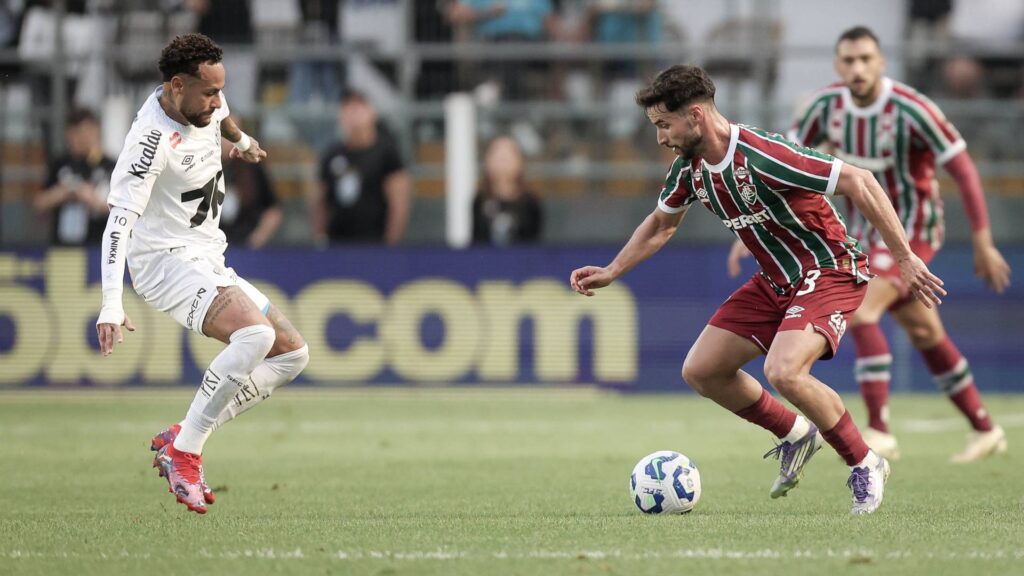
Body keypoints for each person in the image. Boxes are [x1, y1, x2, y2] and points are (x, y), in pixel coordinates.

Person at [570, 64, 946, 515]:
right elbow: (660, 225)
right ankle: (794, 434)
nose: (660, 137)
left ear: (695, 115)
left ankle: (865, 462)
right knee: (702, 371)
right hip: (775, 280)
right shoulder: (688, 169)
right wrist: (613, 269)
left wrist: (904, 257)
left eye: (664, 124)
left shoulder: (764, 154)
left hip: (830, 268)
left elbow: (859, 180)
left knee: (784, 371)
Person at [758, 25, 1010, 463]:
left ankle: (879, 429)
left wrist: (983, 242)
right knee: (924, 330)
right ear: (838, 65)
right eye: (849, 60)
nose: (858, 68)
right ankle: (984, 428)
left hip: (914, 230)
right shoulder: (824, 108)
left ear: (881, 62)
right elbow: (785, 167)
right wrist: (761, 224)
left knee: (862, 311)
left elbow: (964, 171)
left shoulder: (913, 109)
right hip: (861, 233)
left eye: (866, 59)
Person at [95, 33, 310, 515]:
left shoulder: (204, 102)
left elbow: (224, 114)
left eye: (220, 90)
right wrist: (111, 303)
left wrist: (242, 140)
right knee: (254, 335)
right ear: (177, 86)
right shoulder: (149, 142)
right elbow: (117, 225)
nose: (217, 101)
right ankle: (186, 453)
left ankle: (184, 436)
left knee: (292, 355)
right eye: (209, 92)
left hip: (207, 255)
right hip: (164, 262)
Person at [314, 91, 411, 246]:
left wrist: (391, 244)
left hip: (374, 242)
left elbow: (399, 202)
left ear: (372, 113)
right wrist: (321, 237)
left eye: (358, 108)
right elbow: (320, 200)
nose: (353, 114)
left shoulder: (386, 153)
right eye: (348, 108)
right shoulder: (332, 155)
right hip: (337, 242)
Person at [33, 108, 114, 246]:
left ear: (96, 132)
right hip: (62, 247)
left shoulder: (110, 166)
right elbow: (39, 204)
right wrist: (65, 192)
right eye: (77, 133)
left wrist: (93, 200)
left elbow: (122, 209)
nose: (83, 139)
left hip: (98, 246)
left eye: (88, 132)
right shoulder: (60, 164)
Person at [218, 121, 283, 248]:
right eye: (224, 134)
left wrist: (256, 240)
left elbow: (273, 209)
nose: (227, 140)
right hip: (210, 245)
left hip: (246, 245)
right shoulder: (201, 166)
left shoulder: (252, 167)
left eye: (232, 134)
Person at [473, 136, 543, 245]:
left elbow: (535, 243)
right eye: (497, 156)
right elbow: (476, 243)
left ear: (519, 161)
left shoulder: (530, 202)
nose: (503, 162)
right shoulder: (480, 200)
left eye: (507, 156)